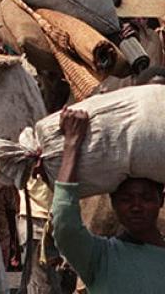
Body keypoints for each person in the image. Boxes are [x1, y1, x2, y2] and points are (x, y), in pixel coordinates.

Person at [51, 107, 165, 293]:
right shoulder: (100, 257)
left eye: (146, 198)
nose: (136, 207)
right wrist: (71, 144)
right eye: (126, 199)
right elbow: (65, 224)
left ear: (161, 200)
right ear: (113, 203)